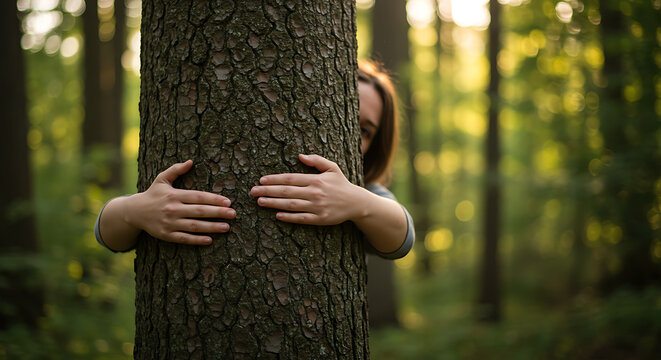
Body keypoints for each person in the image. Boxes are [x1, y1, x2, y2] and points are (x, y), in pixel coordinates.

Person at [94, 61, 414, 259]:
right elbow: (106, 232)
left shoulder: (364, 192)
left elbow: (402, 237)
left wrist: (358, 202)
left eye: (365, 130)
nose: (348, 133)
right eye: (343, 117)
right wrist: (136, 211)